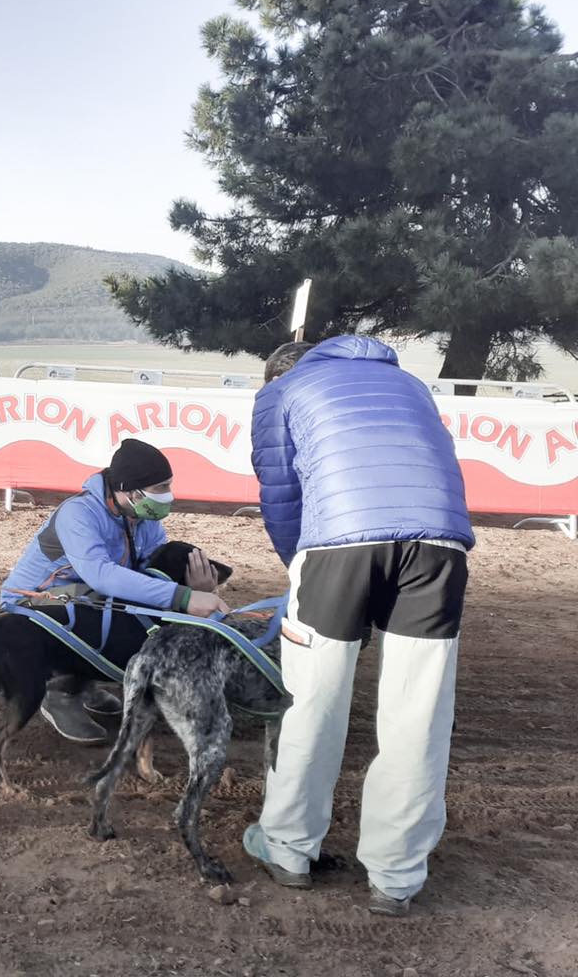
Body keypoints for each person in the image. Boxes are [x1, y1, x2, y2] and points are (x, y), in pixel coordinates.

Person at [242, 336, 474, 917]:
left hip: (336, 544)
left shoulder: (282, 390)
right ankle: (396, 877)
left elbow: (282, 497)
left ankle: (288, 848)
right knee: (419, 711)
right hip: (440, 546)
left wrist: (298, 568)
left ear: (276, 374)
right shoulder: (409, 384)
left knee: (312, 698)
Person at [1, 438, 230, 743]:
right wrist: (183, 597)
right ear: (130, 491)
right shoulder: (77, 513)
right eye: (161, 487)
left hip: (83, 597)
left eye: (168, 485)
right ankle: (59, 689)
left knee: (140, 609)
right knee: (120, 625)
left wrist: (194, 587)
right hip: (27, 608)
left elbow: (146, 576)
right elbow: (102, 576)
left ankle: (82, 679)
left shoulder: (142, 518)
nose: (168, 495)